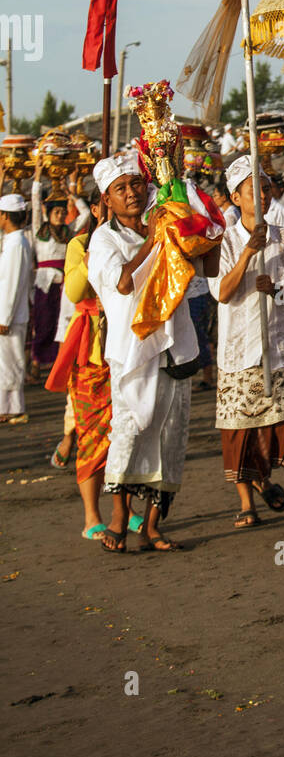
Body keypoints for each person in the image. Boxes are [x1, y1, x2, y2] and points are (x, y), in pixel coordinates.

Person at [88, 154, 219, 552]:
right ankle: (116, 518)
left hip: (176, 344)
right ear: (106, 200)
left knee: (172, 434)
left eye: (135, 185)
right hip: (132, 351)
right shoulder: (104, 239)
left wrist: (200, 218)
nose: (131, 193)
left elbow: (208, 266)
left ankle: (153, 526)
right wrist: (155, 239)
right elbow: (124, 283)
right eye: (120, 189)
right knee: (131, 430)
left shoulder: (166, 224)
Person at [211, 156, 284, 528]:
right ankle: (246, 502)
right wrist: (249, 252)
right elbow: (221, 292)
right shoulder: (223, 241)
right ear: (236, 198)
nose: (263, 196)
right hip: (240, 346)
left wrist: (278, 291)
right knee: (240, 429)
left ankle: (261, 475)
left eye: (266, 188)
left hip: (279, 343)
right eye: (253, 190)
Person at [44, 190, 118, 540]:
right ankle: (92, 516)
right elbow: (75, 292)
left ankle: (126, 511)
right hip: (90, 350)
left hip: (128, 344)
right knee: (91, 433)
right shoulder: (79, 244)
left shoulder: (136, 238)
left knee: (127, 433)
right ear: (95, 208)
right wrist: (92, 255)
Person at [29, 159, 89, 381]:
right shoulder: (39, 230)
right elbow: (36, 205)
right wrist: (36, 178)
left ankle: (58, 365)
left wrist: (71, 193)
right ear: (50, 213)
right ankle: (35, 364)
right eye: (57, 213)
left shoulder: (68, 231)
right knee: (42, 323)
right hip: (44, 283)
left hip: (65, 284)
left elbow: (84, 214)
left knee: (61, 324)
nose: (61, 216)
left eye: (63, 213)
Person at [0, 192, 33, 425]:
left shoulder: (17, 244)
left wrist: (4, 317)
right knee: (6, 361)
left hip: (10, 314)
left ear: (5, 216)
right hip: (9, 313)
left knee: (10, 362)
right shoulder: (13, 241)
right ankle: (9, 407)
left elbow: (11, 284)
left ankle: (13, 408)